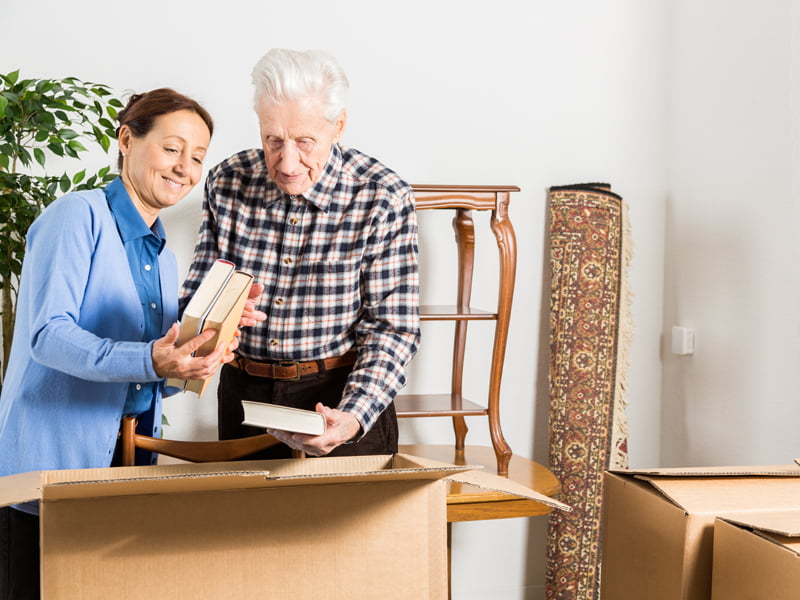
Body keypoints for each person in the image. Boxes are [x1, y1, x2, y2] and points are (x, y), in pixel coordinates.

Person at [0, 88, 232, 600]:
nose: (185, 169)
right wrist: (151, 357)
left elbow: (151, 380)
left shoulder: (163, 253)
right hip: (50, 464)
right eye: (172, 149)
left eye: (197, 158)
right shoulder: (76, 216)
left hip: (125, 463)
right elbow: (46, 335)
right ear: (126, 138)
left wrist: (196, 358)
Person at [181, 48, 420, 458]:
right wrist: (220, 319)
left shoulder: (382, 196)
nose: (287, 163)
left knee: (352, 526)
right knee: (249, 524)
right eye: (273, 140)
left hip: (340, 395)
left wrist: (351, 416)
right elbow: (199, 294)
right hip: (245, 396)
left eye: (304, 142)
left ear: (338, 125)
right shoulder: (227, 180)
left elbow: (393, 329)